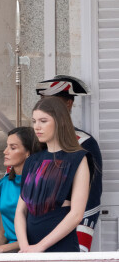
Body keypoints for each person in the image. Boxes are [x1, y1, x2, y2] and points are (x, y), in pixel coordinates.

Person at [15, 96, 94, 252]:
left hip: (61, 248)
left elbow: (77, 214)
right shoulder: (32, 161)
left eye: (43, 121)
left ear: (60, 121)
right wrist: (25, 247)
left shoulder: (78, 158)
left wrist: (40, 247)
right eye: (34, 121)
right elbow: (20, 210)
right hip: (30, 249)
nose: (37, 127)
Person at [36, 74, 102, 252]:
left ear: (68, 104)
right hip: (38, 227)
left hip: (71, 228)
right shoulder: (37, 143)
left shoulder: (84, 143)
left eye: (51, 103)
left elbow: (92, 193)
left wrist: (83, 232)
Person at [0, 127, 42, 253]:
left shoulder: (38, 185)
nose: (5, 152)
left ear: (28, 152)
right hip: (8, 251)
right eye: (7, 146)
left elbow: (36, 236)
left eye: (13, 148)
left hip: (31, 251)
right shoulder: (4, 183)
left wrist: (0, 249)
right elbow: (4, 231)